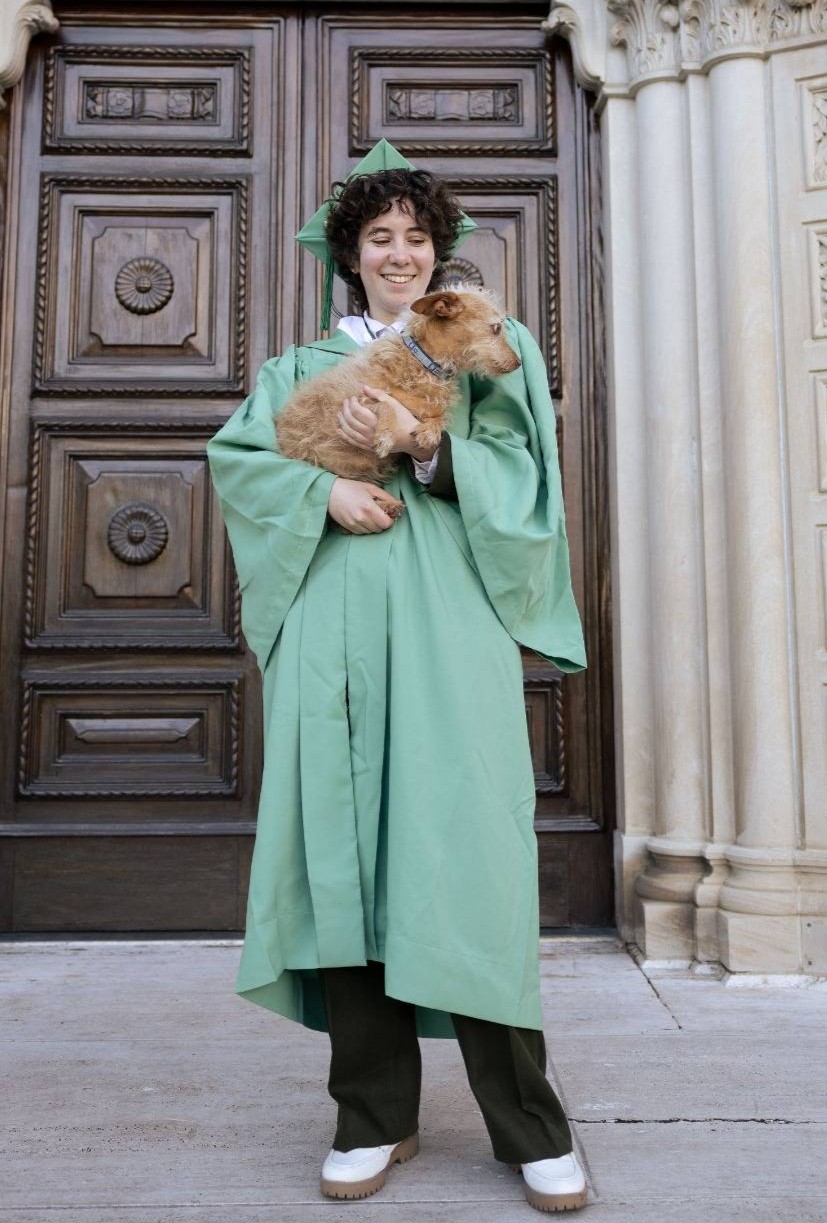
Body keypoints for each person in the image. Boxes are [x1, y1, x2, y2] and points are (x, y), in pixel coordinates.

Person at [206, 139, 588, 1214]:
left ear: (439, 253)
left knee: (463, 854)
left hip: (442, 625)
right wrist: (318, 498)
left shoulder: (481, 350)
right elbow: (244, 462)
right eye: (378, 239)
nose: (399, 255)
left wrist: (423, 444)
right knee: (347, 865)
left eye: (416, 238)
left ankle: (527, 1123)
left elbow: (525, 472)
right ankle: (372, 1112)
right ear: (350, 254)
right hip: (331, 630)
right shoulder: (295, 370)